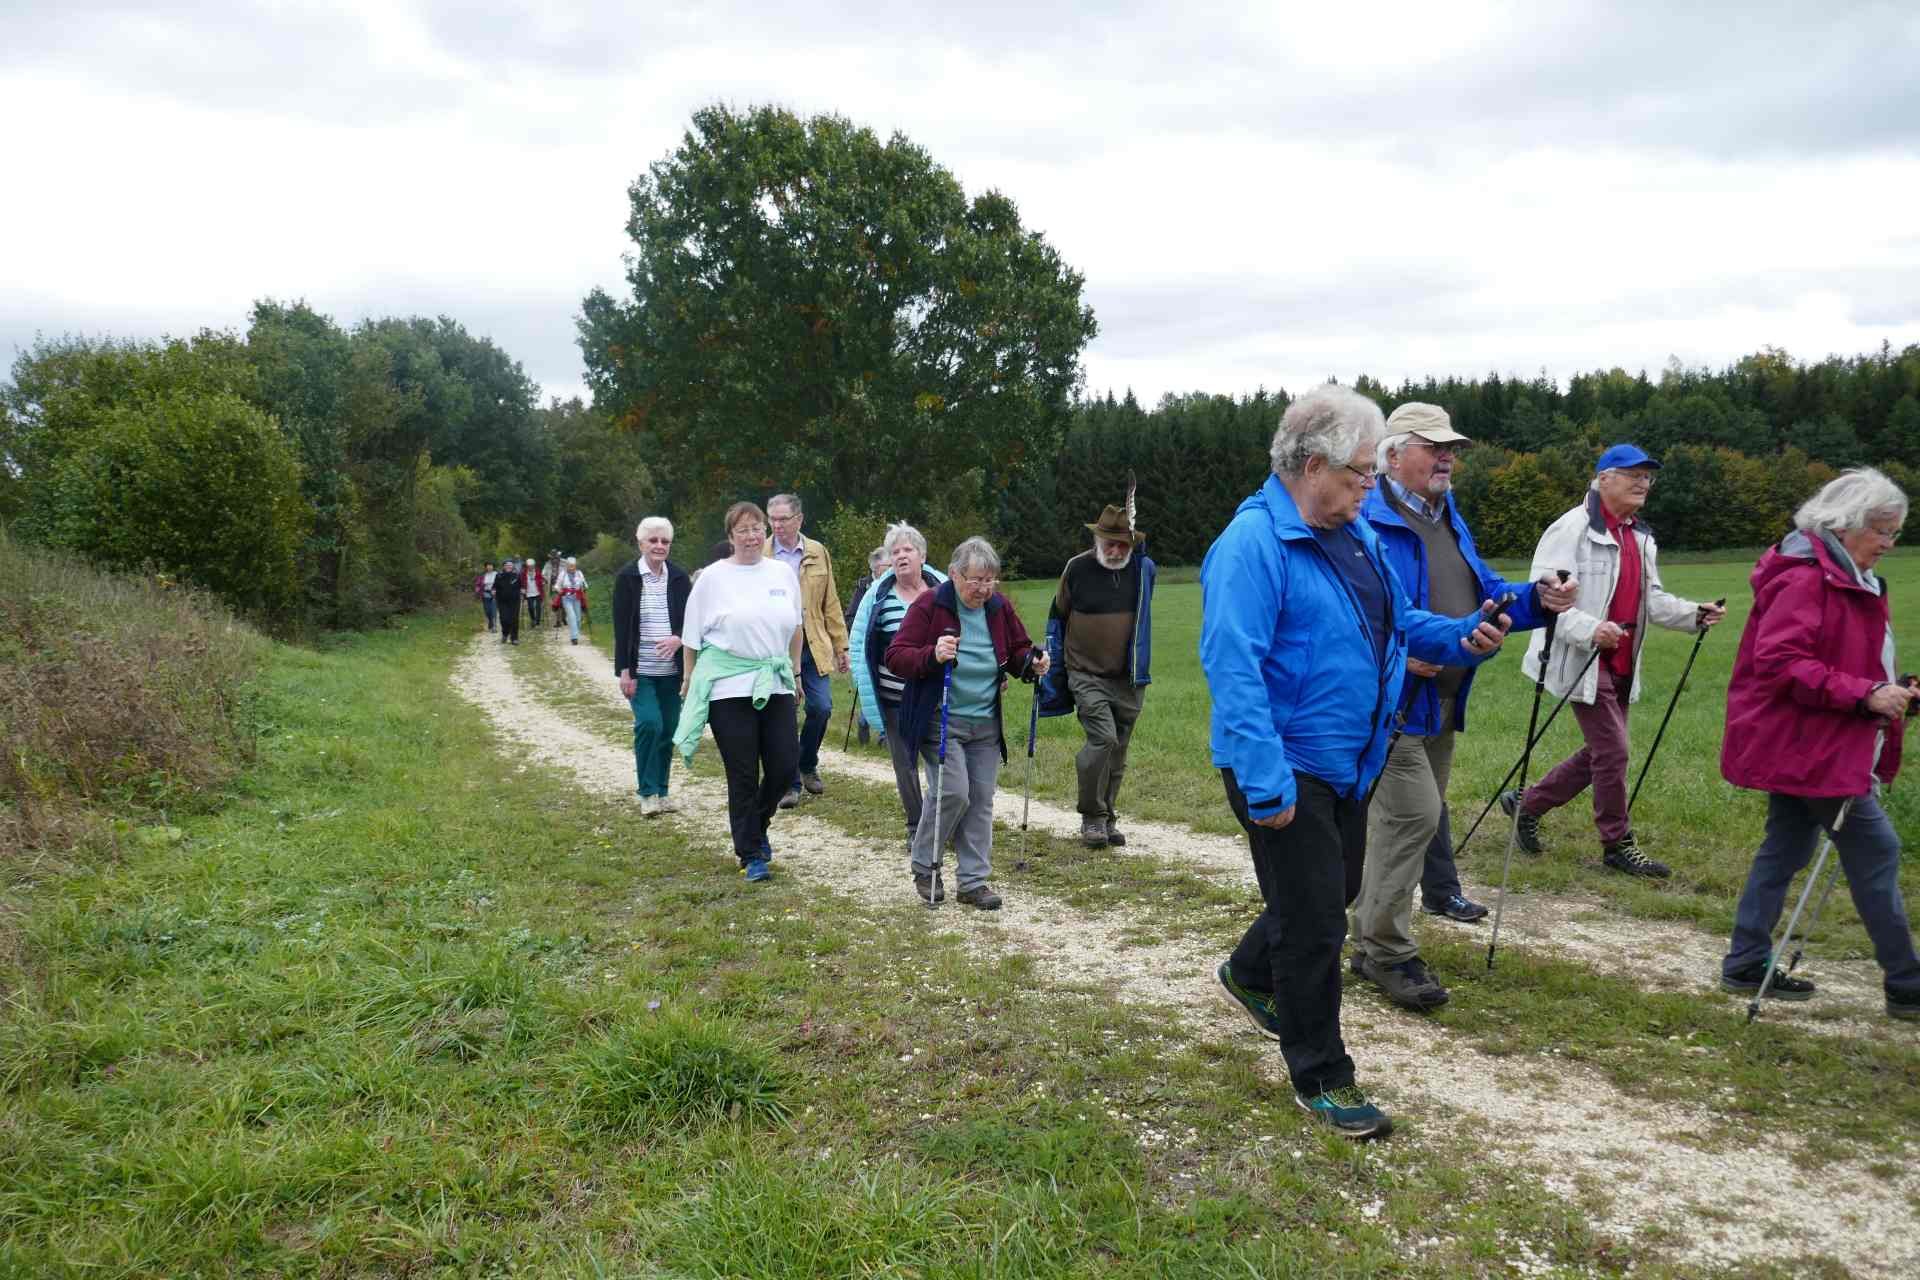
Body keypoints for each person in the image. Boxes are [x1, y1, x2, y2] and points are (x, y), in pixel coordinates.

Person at [1201, 384, 1514, 1139]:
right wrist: (1266, 780)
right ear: (1313, 464)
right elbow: (1232, 669)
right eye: (1361, 473)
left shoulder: (1354, 535)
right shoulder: (1251, 546)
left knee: (1330, 890)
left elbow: (1396, 621)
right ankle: (1324, 1075)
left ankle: (1248, 973)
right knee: (1314, 928)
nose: (1371, 486)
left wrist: (1459, 635)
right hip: (1283, 764)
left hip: (1353, 758)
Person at [1351, 403, 1575, 1011]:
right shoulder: (1366, 521)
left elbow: (1480, 594)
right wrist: (1400, 655)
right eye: (1434, 445)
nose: (1449, 456)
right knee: (1414, 818)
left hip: (1443, 703)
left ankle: (1370, 934)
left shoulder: (1446, 517)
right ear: (1393, 454)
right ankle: (1385, 950)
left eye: (1452, 447)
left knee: (1406, 825)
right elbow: (1357, 613)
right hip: (1390, 706)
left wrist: (1535, 600)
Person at [1718, 468, 1920, 1022]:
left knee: (1785, 846)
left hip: (1814, 736)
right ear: (1846, 523)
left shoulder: (1850, 574)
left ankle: (1745, 960)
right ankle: (1907, 983)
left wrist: (1892, 691)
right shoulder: (1808, 576)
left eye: (1895, 532)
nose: (1889, 543)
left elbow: (1852, 659)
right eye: (1882, 530)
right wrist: (1866, 695)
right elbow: (1782, 664)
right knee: (1877, 850)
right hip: (1808, 742)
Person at [1500, 444, 1727, 878]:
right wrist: (1591, 630)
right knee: (1614, 750)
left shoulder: (1639, 537)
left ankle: (1526, 805)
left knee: (1601, 752)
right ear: (1604, 478)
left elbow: (1651, 600)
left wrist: (1693, 615)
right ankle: (1616, 843)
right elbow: (1545, 600)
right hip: (1579, 658)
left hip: (1621, 660)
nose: (1643, 482)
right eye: (1632, 474)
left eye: (1648, 476)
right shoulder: (1571, 529)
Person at [888, 536, 1048, 910]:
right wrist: (933, 654)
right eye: (975, 580)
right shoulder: (932, 604)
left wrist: (1033, 662)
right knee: (954, 791)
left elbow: (1017, 650)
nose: (983, 588)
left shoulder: (998, 607)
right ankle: (925, 864)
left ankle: (973, 882)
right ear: (954, 575)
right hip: (939, 717)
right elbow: (897, 656)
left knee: (980, 800)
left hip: (985, 721)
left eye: (990, 579)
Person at [671, 502, 803, 883]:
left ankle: (757, 825)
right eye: (742, 529)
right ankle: (750, 853)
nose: (751, 535)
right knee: (743, 771)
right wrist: (690, 680)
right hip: (728, 687)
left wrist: (794, 674)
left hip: (774, 679)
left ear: (766, 532)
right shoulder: (712, 579)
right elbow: (692, 636)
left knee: (783, 765)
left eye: (757, 527)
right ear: (730, 537)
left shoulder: (781, 573)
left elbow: (796, 626)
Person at [1038, 496, 1157, 849]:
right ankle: (1091, 816)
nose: (1117, 550)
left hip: (1130, 677)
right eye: (1110, 543)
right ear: (1096, 540)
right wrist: (1054, 672)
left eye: (1123, 544)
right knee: (1102, 739)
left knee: (1118, 751)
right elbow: (1058, 616)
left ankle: (1107, 818)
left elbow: (1148, 570)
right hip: (1085, 674)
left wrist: (1141, 549)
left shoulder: (1142, 569)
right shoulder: (1076, 568)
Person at [849, 524, 949, 851]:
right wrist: (867, 696)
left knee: (942, 764)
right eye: (895, 552)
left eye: (908, 550)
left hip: (935, 698)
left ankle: (939, 823)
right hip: (895, 700)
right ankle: (915, 826)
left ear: (922, 555)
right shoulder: (877, 595)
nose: (901, 556)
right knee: (905, 766)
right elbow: (860, 645)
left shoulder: (943, 591)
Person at [766, 493, 850, 807]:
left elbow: (830, 601)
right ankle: (789, 784)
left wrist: (841, 645)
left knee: (821, 708)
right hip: (776, 647)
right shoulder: (761, 554)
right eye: (772, 519)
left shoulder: (817, 551)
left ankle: (806, 764)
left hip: (814, 645)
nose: (777, 525)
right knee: (784, 715)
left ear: (799, 520)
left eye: (783, 519)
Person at [614, 517, 692, 817]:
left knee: (669, 730)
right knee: (650, 724)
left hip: (673, 673)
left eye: (665, 541)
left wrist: (678, 639)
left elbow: (692, 621)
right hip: (641, 671)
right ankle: (646, 793)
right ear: (641, 543)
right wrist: (625, 671)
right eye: (653, 541)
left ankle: (662, 790)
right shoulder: (628, 577)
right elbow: (622, 629)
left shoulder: (679, 578)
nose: (659, 546)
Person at [845, 546, 888, 746]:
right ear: (875, 569)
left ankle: (884, 736)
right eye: (885, 566)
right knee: (872, 685)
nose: (889, 569)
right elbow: (851, 616)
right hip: (868, 647)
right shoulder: (864, 587)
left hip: (891, 646)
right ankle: (865, 720)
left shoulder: (896, 584)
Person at [554, 556, 588, 645]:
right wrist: (559, 590)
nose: (572, 568)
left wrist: (584, 587)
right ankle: (574, 638)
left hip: (577, 597)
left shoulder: (579, 573)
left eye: (573, 566)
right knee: (572, 616)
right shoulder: (563, 574)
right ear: (567, 566)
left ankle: (574, 631)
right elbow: (557, 585)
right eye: (570, 566)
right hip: (566, 597)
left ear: (575, 566)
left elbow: (584, 583)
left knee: (578, 618)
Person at [492, 558, 524, 645]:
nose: (508, 567)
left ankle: (514, 638)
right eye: (506, 565)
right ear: (503, 567)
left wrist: (522, 590)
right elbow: (494, 586)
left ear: (513, 566)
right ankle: (505, 634)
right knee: (504, 619)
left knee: (514, 619)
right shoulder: (499, 575)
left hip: (515, 600)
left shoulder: (517, 575)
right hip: (502, 601)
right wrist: (493, 590)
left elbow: (522, 585)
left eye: (510, 565)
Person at [524, 555, 546, 630]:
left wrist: (543, 582)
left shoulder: (537, 571)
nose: (530, 567)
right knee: (530, 607)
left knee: (538, 607)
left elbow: (542, 579)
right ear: (527, 566)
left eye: (532, 566)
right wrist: (522, 588)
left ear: (534, 565)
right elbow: (522, 581)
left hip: (537, 592)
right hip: (529, 593)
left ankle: (537, 622)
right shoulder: (524, 573)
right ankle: (533, 619)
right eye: (529, 566)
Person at [475, 562, 497, 632]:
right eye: (488, 566)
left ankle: (494, 626)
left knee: (493, 610)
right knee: (487, 610)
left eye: (491, 566)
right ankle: (490, 622)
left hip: (495, 594)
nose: (489, 567)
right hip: (485, 593)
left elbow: (501, 583)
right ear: (485, 567)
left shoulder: (497, 574)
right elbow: (478, 584)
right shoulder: (482, 575)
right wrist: (477, 590)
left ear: (493, 567)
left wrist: (497, 590)